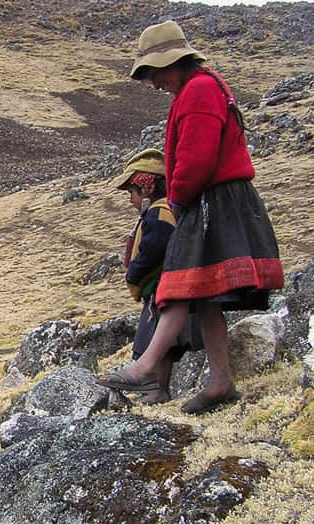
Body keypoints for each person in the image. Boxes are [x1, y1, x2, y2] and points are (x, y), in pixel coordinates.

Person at [97, 21, 284, 414]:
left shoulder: (199, 90)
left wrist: (178, 201)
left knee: (181, 285)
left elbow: (196, 160)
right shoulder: (200, 87)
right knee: (205, 294)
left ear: (174, 62)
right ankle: (220, 382)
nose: (153, 82)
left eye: (155, 72)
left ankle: (146, 366)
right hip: (212, 198)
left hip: (210, 199)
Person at [112, 148, 202, 405]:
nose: (130, 198)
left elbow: (154, 250)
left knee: (155, 340)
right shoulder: (163, 211)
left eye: (131, 191)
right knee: (162, 342)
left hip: (161, 288)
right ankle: (157, 390)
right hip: (164, 288)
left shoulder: (159, 213)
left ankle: (156, 390)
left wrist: (134, 274)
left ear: (146, 187)